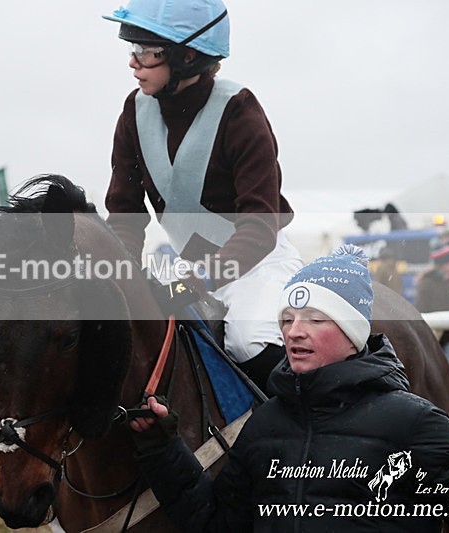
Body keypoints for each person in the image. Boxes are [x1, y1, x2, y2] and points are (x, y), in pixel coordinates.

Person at [129, 245, 449, 531]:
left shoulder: (414, 424)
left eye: (315, 319)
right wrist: (162, 447)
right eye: (287, 319)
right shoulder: (263, 425)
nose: (294, 331)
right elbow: (216, 523)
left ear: (353, 333)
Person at [102, 0, 303, 392]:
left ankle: (301, 436)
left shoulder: (239, 111)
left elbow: (260, 225)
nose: (133, 63)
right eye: (133, 50)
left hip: (258, 263)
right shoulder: (133, 112)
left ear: (187, 55)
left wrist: (209, 275)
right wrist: (118, 274)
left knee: (247, 342)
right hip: (190, 266)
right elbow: (125, 214)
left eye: (145, 52)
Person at [415, 242, 449, 385]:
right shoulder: (426, 283)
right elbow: (421, 308)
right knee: (435, 376)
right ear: (443, 263)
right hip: (433, 337)